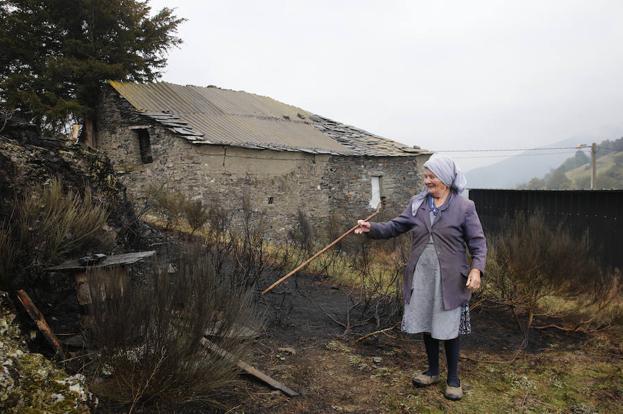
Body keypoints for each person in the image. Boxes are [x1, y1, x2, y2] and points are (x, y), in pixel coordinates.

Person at [355, 156, 486, 400]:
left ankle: (453, 379)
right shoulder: (417, 204)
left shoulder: (464, 207)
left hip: (450, 279)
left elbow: (478, 242)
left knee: (448, 327)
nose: (427, 181)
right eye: (425, 177)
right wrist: (372, 228)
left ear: (445, 179)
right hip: (422, 275)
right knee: (427, 322)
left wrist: (476, 269)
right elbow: (396, 226)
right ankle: (433, 371)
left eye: (431, 177)